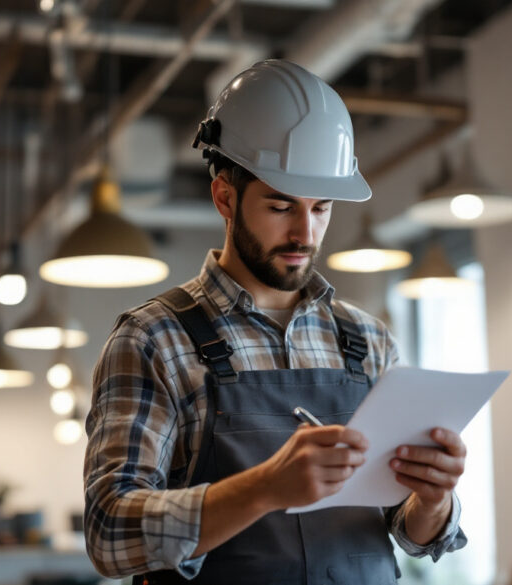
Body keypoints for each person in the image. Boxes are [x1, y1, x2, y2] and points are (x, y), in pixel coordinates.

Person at [83, 59, 468, 585]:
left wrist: (433, 498)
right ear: (225, 197)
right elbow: (108, 533)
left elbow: (409, 530)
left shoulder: (369, 341)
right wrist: (264, 488)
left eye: (321, 208)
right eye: (282, 207)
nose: (304, 234)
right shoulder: (154, 339)